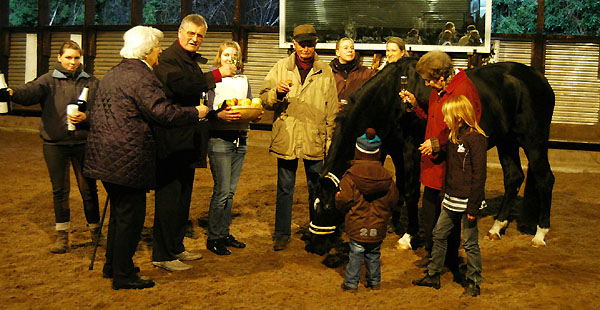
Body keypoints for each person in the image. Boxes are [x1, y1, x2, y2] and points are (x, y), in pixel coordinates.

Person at [84, 26, 208, 290]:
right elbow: (161, 112)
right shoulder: (142, 76)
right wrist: (195, 112)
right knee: (130, 217)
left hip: (104, 156)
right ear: (147, 51)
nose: (159, 52)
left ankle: (113, 266)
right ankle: (124, 274)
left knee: (119, 215)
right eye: (156, 48)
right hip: (128, 157)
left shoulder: (113, 73)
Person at [151, 14, 237, 271]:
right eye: (191, 33)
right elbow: (179, 86)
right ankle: (162, 255)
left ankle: (175, 246)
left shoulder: (188, 60)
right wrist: (217, 75)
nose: (195, 39)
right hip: (170, 142)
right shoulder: (167, 59)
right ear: (180, 32)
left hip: (187, 142)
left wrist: (213, 112)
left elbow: (193, 96)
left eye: (200, 35)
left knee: (182, 198)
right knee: (168, 198)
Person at [7, 40, 101, 254]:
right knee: (60, 191)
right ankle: (62, 236)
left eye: (76, 58)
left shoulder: (92, 82)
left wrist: (87, 117)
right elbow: (28, 91)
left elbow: (102, 111)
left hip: (83, 143)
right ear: (59, 58)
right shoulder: (47, 81)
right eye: (68, 57)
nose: (73, 62)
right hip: (55, 144)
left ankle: (96, 232)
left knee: (89, 189)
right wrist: (11, 92)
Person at [398, 50, 481, 276]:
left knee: (448, 217)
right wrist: (417, 104)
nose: (426, 83)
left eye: (429, 79)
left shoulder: (463, 91)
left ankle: (449, 260)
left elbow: (466, 128)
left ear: (443, 76)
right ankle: (435, 257)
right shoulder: (439, 90)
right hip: (433, 167)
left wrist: (437, 144)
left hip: (452, 167)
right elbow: (434, 116)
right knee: (430, 216)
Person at [259, 24, 338, 251]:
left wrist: (330, 140)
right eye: (302, 44)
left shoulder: (325, 71)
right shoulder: (281, 67)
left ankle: (316, 231)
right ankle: (281, 233)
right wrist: (277, 93)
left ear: (315, 44)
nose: (306, 48)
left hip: (315, 137)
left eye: (310, 44)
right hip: (288, 137)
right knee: (285, 187)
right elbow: (264, 99)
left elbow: (332, 109)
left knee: (317, 188)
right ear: (294, 44)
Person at [413, 95, 487, 297]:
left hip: (467, 200)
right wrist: (444, 194)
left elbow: (479, 175)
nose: (444, 120)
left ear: (459, 117)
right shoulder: (454, 138)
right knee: (439, 234)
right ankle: (433, 275)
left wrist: (473, 206)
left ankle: (473, 282)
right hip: (452, 198)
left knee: (470, 243)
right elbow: (450, 170)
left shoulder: (476, 140)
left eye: (448, 116)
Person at [205, 41, 259, 255]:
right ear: (219, 57)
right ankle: (214, 237)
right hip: (219, 139)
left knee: (230, 192)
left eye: (234, 55)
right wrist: (218, 115)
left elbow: (248, 104)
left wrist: (254, 114)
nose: (230, 58)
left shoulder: (242, 80)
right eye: (226, 54)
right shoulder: (211, 79)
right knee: (221, 191)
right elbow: (207, 109)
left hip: (240, 138)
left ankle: (224, 232)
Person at [336, 128, 399, 291]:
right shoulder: (387, 176)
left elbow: (345, 200)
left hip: (357, 225)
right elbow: (393, 200)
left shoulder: (350, 176)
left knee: (355, 254)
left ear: (358, 151)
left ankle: (351, 283)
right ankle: (374, 282)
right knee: (374, 254)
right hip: (378, 226)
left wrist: (338, 199)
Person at [329, 37, 376, 109]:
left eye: (352, 48)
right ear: (337, 52)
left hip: (355, 116)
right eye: (345, 48)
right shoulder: (327, 72)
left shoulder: (366, 73)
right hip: (332, 115)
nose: (350, 50)